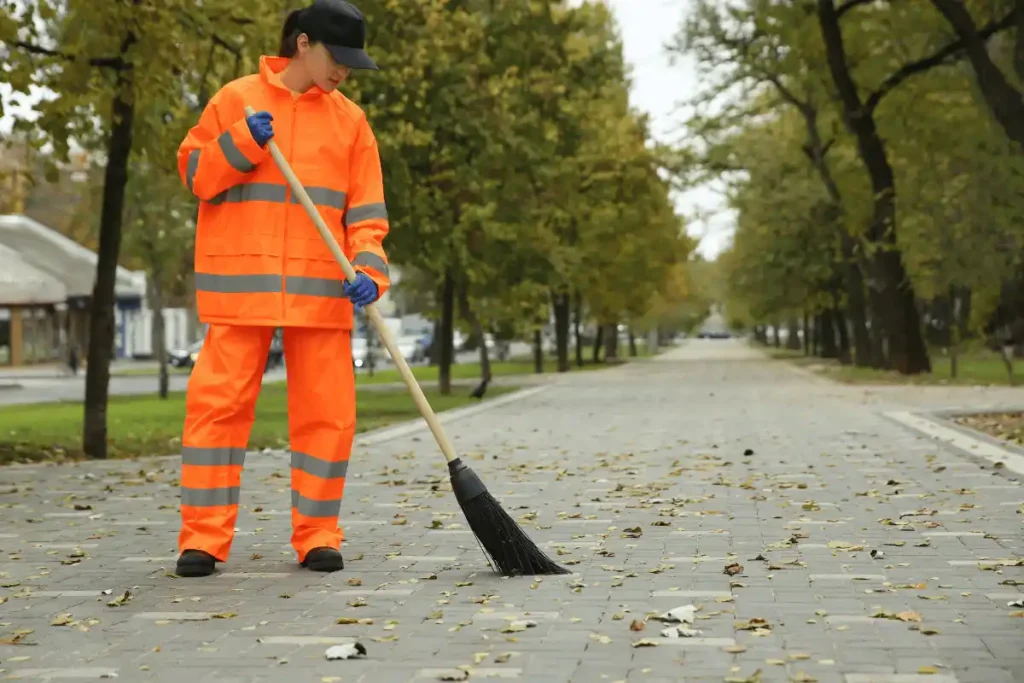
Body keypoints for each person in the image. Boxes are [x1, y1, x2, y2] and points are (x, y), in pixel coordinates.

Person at [173, 0, 390, 578]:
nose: (343, 71)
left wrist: (368, 271)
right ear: (303, 44)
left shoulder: (351, 123)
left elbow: (367, 216)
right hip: (242, 288)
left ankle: (318, 534)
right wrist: (239, 143)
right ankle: (202, 540)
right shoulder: (235, 101)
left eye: (351, 62)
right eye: (336, 57)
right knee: (216, 413)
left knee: (328, 416)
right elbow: (196, 175)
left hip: (323, 290)